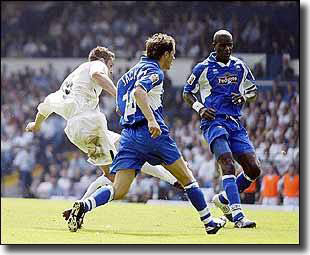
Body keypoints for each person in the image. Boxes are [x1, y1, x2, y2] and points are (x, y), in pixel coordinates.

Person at [67, 33, 226, 234]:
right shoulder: (156, 72)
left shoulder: (126, 76)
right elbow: (139, 92)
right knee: (187, 179)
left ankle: (85, 205)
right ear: (165, 54)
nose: (174, 58)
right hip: (152, 134)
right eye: (173, 54)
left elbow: (120, 106)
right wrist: (151, 119)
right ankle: (209, 222)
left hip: (129, 136)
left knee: (118, 189)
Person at [25, 45, 182, 228]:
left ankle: (81, 206)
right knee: (122, 172)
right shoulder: (95, 65)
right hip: (90, 123)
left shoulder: (68, 84)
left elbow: (45, 107)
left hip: (76, 130)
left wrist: (35, 125)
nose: (111, 69)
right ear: (102, 60)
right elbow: (98, 75)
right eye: (111, 65)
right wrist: (119, 96)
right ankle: (175, 180)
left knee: (115, 167)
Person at [183, 29, 261, 228]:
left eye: (230, 45)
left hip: (234, 122)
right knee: (227, 164)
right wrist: (200, 108)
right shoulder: (202, 68)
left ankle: (224, 199)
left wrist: (244, 97)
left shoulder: (240, 66)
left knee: (253, 169)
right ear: (213, 45)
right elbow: (187, 93)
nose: (227, 49)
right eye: (222, 45)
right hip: (214, 122)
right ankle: (238, 215)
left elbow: (253, 91)